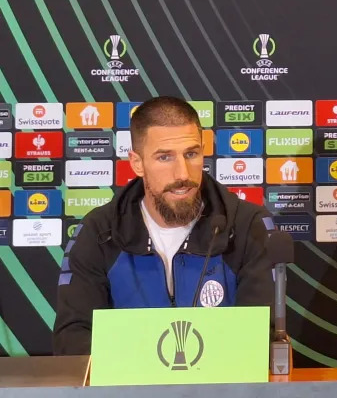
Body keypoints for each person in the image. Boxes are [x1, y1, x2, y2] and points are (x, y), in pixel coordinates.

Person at [54, 96, 279, 355]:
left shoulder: (248, 225)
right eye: (164, 157)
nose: (182, 174)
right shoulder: (99, 232)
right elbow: (73, 340)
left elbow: (263, 339)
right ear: (137, 163)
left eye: (191, 154)